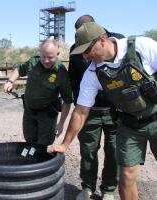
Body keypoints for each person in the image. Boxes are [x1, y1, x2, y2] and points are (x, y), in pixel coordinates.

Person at [48, 22, 157, 200]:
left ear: (103, 40)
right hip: (130, 125)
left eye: (87, 50)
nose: (85, 56)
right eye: (82, 52)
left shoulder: (140, 46)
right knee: (126, 179)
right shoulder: (93, 73)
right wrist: (65, 144)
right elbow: (81, 111)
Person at [68, 15, 124, 200]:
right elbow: (74, 79)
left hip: (115, 109)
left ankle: (108, 189)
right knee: (88, 150)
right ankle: (87, 187)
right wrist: (77, 105)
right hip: (88, 110)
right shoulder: (74, 51)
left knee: (113, 150)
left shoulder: (118, 40)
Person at [4, 38, 73, 145]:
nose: (46, 60)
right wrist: (10, 81)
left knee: (44, 145)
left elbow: (67, 101)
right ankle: (31, 160)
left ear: (57, 54)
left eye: (50, 57)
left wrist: (61, 123)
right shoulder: (33, 62)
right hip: (29, 112)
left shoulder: (61, 73)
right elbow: (19, 69)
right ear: (40, 53)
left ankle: (43, 161)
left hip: (47, 116)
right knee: (29, 140)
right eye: (43, 56)